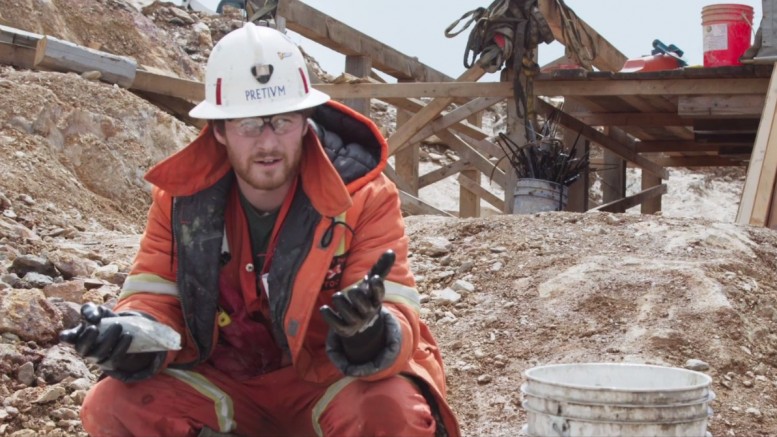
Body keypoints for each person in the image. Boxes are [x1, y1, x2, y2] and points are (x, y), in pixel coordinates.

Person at [59, 22, 460, 437]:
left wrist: (369, 334)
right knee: (111, 405)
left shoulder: (363, 195)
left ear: (306, 121)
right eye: (249, 125)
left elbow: (396, 307)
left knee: (390, 409)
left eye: (282, 121)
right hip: (226, 386)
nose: (268, 143)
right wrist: (127, 337)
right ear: (218, 130)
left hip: (329, 382)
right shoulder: (180, 200)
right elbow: (154, 298)